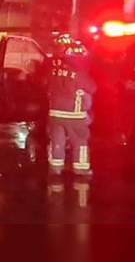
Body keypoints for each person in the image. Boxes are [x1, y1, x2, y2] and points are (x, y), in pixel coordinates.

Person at [46, 35, 97, 177]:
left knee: (57, 141)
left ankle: (55, 168)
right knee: (80, 142)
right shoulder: (80, 74)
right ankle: (80, 169)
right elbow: (92, 88)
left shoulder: (54, 71)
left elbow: (47, 88)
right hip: (75, 116)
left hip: (55, 115)